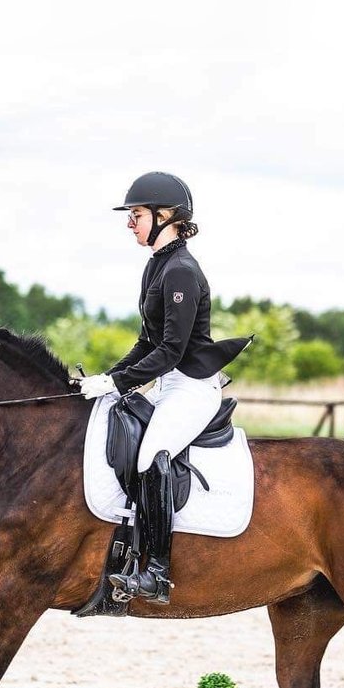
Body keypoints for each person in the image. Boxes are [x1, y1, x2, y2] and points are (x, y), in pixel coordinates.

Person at [76, 172, 251, 605]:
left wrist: (118, 381)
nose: (130, 223)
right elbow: (146, 343)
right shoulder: (156, 265)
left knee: (152, 455)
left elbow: (172, 350)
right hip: (170, 383)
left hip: (191, 386)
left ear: (165, 215)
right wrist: (106, 380)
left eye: (136, 215)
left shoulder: (182, 271)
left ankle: (156, 571)